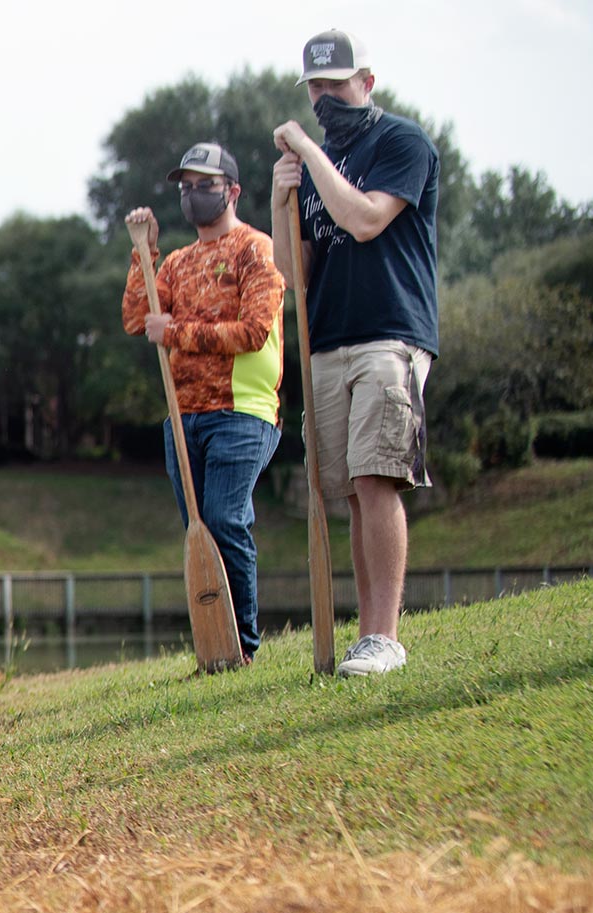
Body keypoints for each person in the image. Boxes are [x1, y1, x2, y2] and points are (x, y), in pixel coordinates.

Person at [270, 28, 441, 678]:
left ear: (366, 83)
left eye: (336, 85)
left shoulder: (402, 142)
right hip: (329, 340)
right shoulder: (310, 170)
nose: (324, 98)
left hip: (390, 333)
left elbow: (366, 218)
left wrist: (311, 155)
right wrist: (279, 195)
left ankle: (383, 637)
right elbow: (294, 272)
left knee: (378, 478)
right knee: (347, 490)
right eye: (315, 88)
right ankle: (365, 635)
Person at [122, 140, 287, 663]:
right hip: (182, 415)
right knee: (200, 527)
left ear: (233, 191)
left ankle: (245, 645)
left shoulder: (255, 249)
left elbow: (257, 331)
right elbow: (136, 319)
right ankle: (217, 645)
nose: (193, 196)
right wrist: (144, 252)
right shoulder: (175, 262)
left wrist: (178, 333)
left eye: (205, 186)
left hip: (243, 411)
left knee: (223, 518)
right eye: (186, 189)